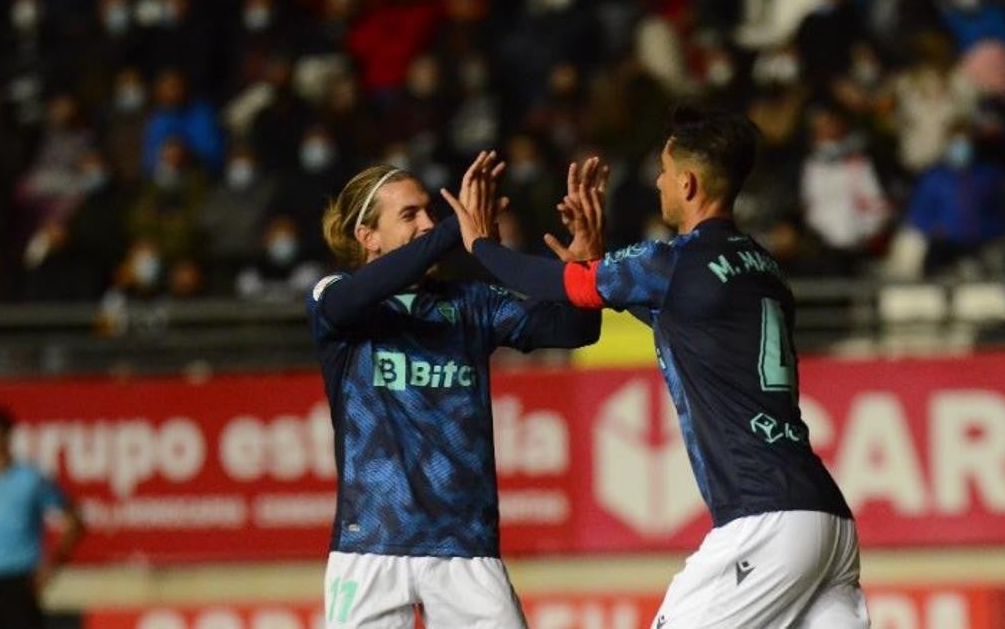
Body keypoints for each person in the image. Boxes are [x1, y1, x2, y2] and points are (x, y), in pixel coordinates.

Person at [445, 108, 868, 628]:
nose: (658, 182)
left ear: (688, 184)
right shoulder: (765, 268)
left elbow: (569, 288)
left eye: (664, 172)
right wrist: (593, 260)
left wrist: (480, 246)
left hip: (765, 517)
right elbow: (654, 305)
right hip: (827, 520)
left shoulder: (675, 263)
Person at [306, 152, 603, 628]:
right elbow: (357, 296)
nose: (427, 223)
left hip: (465, 548)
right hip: (371, 546)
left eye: (431, 212)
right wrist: (458, 231)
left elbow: (574, 331)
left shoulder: (471, 303)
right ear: (368, 237)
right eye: (410, 215)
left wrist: (587, 260)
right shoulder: (335, 297)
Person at [0, 405, 84, 629]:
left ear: (1, 435)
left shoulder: (31, 479)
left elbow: (74, 521)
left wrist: (52, 565)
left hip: (20, 581)